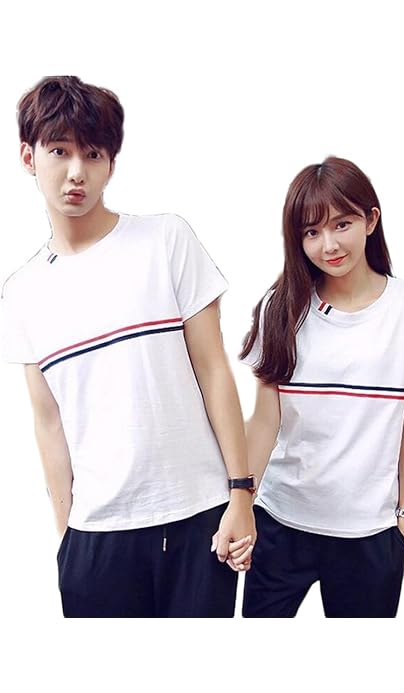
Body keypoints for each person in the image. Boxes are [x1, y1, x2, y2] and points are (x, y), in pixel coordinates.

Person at [1, 75, 256, 618]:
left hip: (198, 519)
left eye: (93, 154)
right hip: (96, 537)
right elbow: (48, 421)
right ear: (29, 157)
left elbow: (214, 371)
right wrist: (66, 537)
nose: (77, 171)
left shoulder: (166, 239)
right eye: (59, 151)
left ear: (111, 164)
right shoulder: (21, 293)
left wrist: (241, 493)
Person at [240, 156, 404, 618]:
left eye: (342, 224)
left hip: (370, 534)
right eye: (311, 232)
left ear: (370, 220)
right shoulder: (280, 307)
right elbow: (263, 422)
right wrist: (240, 503)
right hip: (280, 521)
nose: (329, 245)